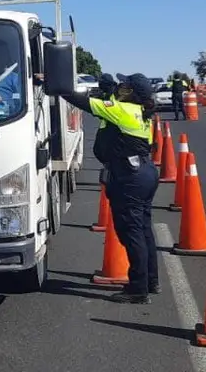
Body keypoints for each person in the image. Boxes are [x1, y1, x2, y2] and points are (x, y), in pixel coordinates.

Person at [61, 72, 160, 303]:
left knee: (131, 232)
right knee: (143, 230)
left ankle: (138, 290)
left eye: (125, 86)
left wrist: (58, 87)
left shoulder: (122, 110)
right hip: (144, 172)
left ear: (132, 93)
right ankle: (150, 281)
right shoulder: (139, 112)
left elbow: (84, 102)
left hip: (130, 176)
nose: (121, 87)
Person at [92, 73, 120, 185]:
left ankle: (111, 177)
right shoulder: (110, 93)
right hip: (109, 128)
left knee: (102, 152)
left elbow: (107, 109)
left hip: (111, 129)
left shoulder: (112, 95)